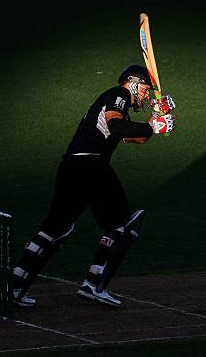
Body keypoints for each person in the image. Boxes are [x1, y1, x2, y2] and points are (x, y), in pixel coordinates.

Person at [11, 65, 176, 307]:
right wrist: (153, 125)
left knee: (56, 228)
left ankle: (13, 287)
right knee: (123, 228)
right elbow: (117, 128)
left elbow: (135, 137)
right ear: (132, 82)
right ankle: (93, 285)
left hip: (72, 166)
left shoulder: (116, 105)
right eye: (145, 88)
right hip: (91, 166)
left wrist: (155, 118)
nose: (147, 95)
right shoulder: (118, 95)